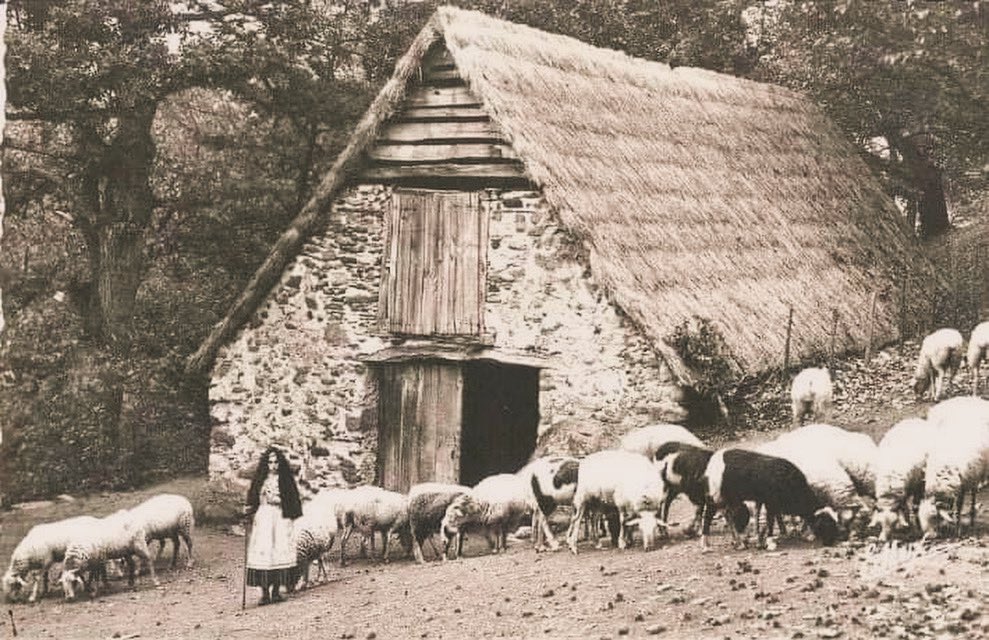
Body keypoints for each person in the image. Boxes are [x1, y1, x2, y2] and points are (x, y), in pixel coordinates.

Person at [245, 446, 303, 605]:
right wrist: (249, 508)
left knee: (278, 552)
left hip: (280, 518)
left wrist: (279, 501)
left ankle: (276, 591)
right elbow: (253, 498)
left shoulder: (285, 480)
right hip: (264, 519)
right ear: (266, 463)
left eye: (276, 462)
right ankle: (264, 593)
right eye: (270, 462)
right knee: (265, 552)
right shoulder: (260, 479)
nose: (273, 465)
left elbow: (293, 501)